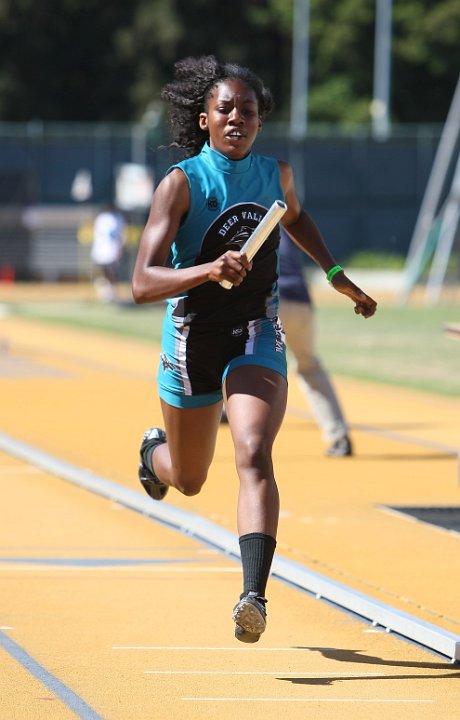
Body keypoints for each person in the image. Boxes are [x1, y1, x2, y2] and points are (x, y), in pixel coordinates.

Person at [131, 55, 377, 643]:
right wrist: (208, 270)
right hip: (192, 338)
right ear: (204, 119)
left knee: (252, 452)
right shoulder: (182, 184)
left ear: (260, 121)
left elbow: (296, 218)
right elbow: (141, 283)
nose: (238, 117)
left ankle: (253, 596)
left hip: (255, 332)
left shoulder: (278, 174)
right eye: (226, 109)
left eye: (248, 110)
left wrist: (336, 272)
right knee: (189, 479)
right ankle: (151, 455)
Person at [278, 226, 352, 456]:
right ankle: (338, 435)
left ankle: (230, 414)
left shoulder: (241, 214)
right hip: (301, 300)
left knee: (238, 354)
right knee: (309, 365)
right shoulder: (286, 218)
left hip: (270, 300)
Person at [91, 202, 126, 302]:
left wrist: (120, 248)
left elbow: (120, 235)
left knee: (112, 271)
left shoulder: (117, 218)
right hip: (103, 249)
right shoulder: (103, 218)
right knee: (104, 270)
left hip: (112, 249)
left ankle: (112, 291)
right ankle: (106, 290)